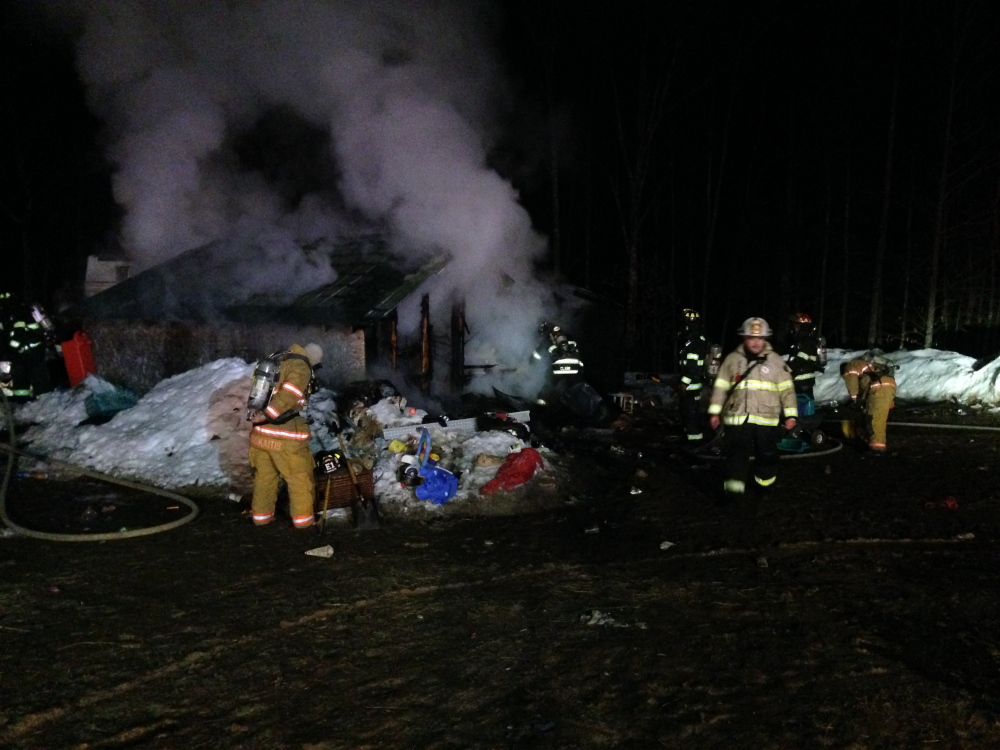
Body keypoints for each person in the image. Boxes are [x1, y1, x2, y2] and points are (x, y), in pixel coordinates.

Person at [707, 317, 798, 500]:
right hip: (737, 416)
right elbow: (721, 387)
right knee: (735, 455)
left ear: (765, 339)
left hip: (767, 418)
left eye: (760, 338)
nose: (755, 342)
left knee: (767, 454)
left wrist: (791, 415)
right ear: (744, 338)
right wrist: (715, 412)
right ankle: (733, 492)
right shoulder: (732, 359)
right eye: (751, 337)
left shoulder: (776, 361)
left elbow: (787, 390)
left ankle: (764, 486)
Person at [248, 343, 323, 529]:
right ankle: (304, 522)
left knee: (265, 477)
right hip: (285, 435)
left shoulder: (278, 359)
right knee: (299, 477)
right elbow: (290, 394)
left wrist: (261, 417)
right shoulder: (301, 366)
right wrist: (269, 415)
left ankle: (261, 518)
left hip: (261, 434)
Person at [841, 353, 896, 454]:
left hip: (880, 388)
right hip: (886, 386)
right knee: (876, 418)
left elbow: (852, 383)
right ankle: (874, 441)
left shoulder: (850, 367)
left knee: (874, 419)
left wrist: (854, 398)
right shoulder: (866, 366)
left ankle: (877, 448)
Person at [677, 308, 711, 448]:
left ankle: (695, 443)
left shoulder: (694, 342)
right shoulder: (694, 339)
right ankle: (691, 439)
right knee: (689, 412)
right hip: (693, 383)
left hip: (692, 384)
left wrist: (684, 383)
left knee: (691, 413)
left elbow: (692, 367)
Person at [785, 312, 825, 397]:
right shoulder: (799, 342)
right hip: (798, 381)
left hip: (803, 382)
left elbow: (800, 360)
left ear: (803, 327)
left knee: (803, 406)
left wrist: (785, 371)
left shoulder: (808, 342)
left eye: (796, 326)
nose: (793, 328)